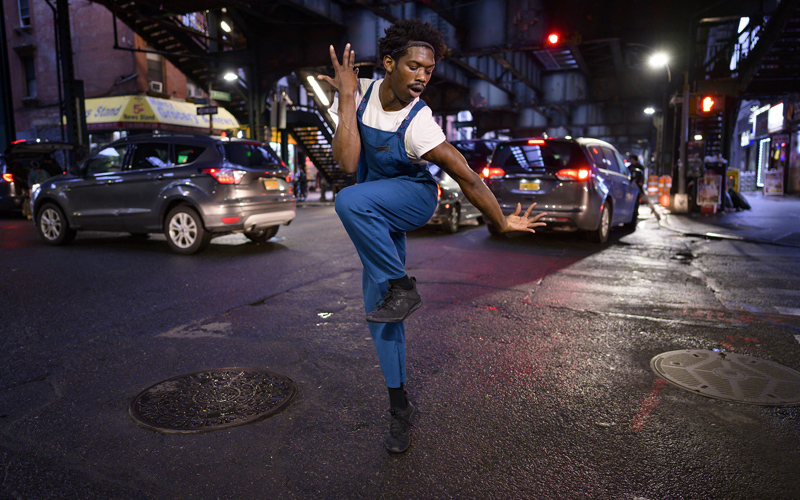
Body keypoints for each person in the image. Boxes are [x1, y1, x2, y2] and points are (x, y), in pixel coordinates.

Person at [318, 19, 546, 454]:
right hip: (376, 208)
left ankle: (403, 285)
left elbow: (468, 177)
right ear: (389, 63)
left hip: (414, 199)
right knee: (382, 314)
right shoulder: (359, 93)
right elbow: (348, 162)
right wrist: (345, 96)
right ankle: (400, 408)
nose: (423, 76)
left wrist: (501, 223)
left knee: (348, 201)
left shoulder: (420, 124)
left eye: (429, 69)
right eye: (414, 66)